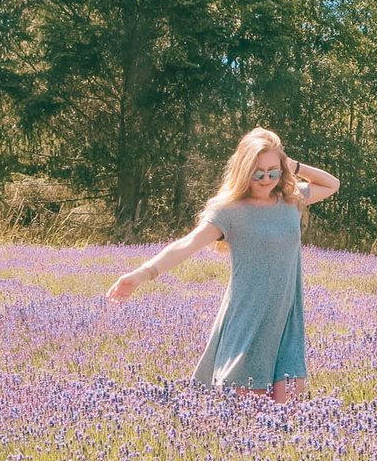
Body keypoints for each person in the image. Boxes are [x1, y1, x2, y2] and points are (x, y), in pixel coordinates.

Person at [105, 128, 339, 403]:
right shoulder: (229, 211)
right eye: (258, 172)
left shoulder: (291, 198)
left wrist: (292, 165)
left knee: (289, 415)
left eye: (273, 172)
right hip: (248, 318)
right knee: (242, 417)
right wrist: (141, 274)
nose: (266, 179)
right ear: (243, 171)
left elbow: (331, 184)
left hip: (286, 318)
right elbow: (187, 244)